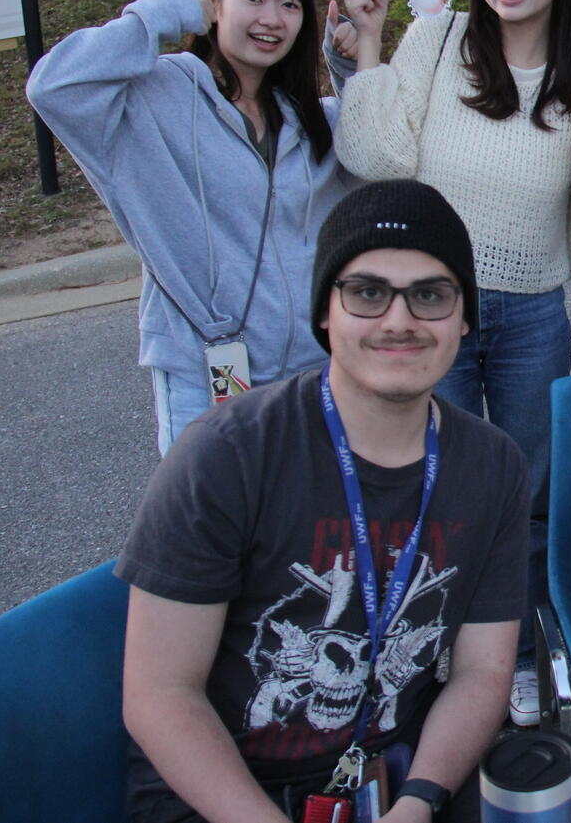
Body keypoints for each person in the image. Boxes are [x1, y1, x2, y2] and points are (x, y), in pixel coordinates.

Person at [332, 0, 571, 723]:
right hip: (429, 311)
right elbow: (376, 156)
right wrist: (373, 44)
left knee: (522, 492)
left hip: (527, 314)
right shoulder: (438, 40)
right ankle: (429, 659)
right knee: (428, 488)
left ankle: (517, 654)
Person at [117, 179, 528, 823]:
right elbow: (160, 695)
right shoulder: (226, 455)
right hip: (230, 794)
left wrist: (420, 800)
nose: (400, 321)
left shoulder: (492, 462)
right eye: (367, 292)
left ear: (463, 318)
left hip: (402, 776)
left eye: (430, 295)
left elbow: (481, 672)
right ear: (323, 313)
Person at [26, 0, 354, 454]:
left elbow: (383, 162)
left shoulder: (307, 118)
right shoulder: (154, 97)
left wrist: (351, 68)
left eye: (289, 4)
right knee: (214, 525)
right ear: (213, 6)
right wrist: (165, 13)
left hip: (316, 368)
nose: (272, 18)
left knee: (302, 524)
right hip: (211, 369)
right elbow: (53, 87)